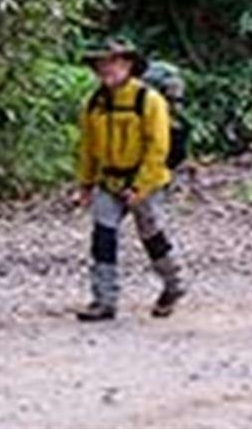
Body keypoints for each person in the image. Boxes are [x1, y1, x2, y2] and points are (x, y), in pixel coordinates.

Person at [73, 37, 186, 322]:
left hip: (145, 181)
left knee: (152, 236)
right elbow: (87, 147)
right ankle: (104, 300)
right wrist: (85, 184)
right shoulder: (94, 103)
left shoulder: (149, 101)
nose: (105, 69)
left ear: (128, 65)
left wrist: (141, 186)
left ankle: (174, 284)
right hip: (108, 181)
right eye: (101, 64)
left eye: (111, 62)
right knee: (103, 236)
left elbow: (158, 147)